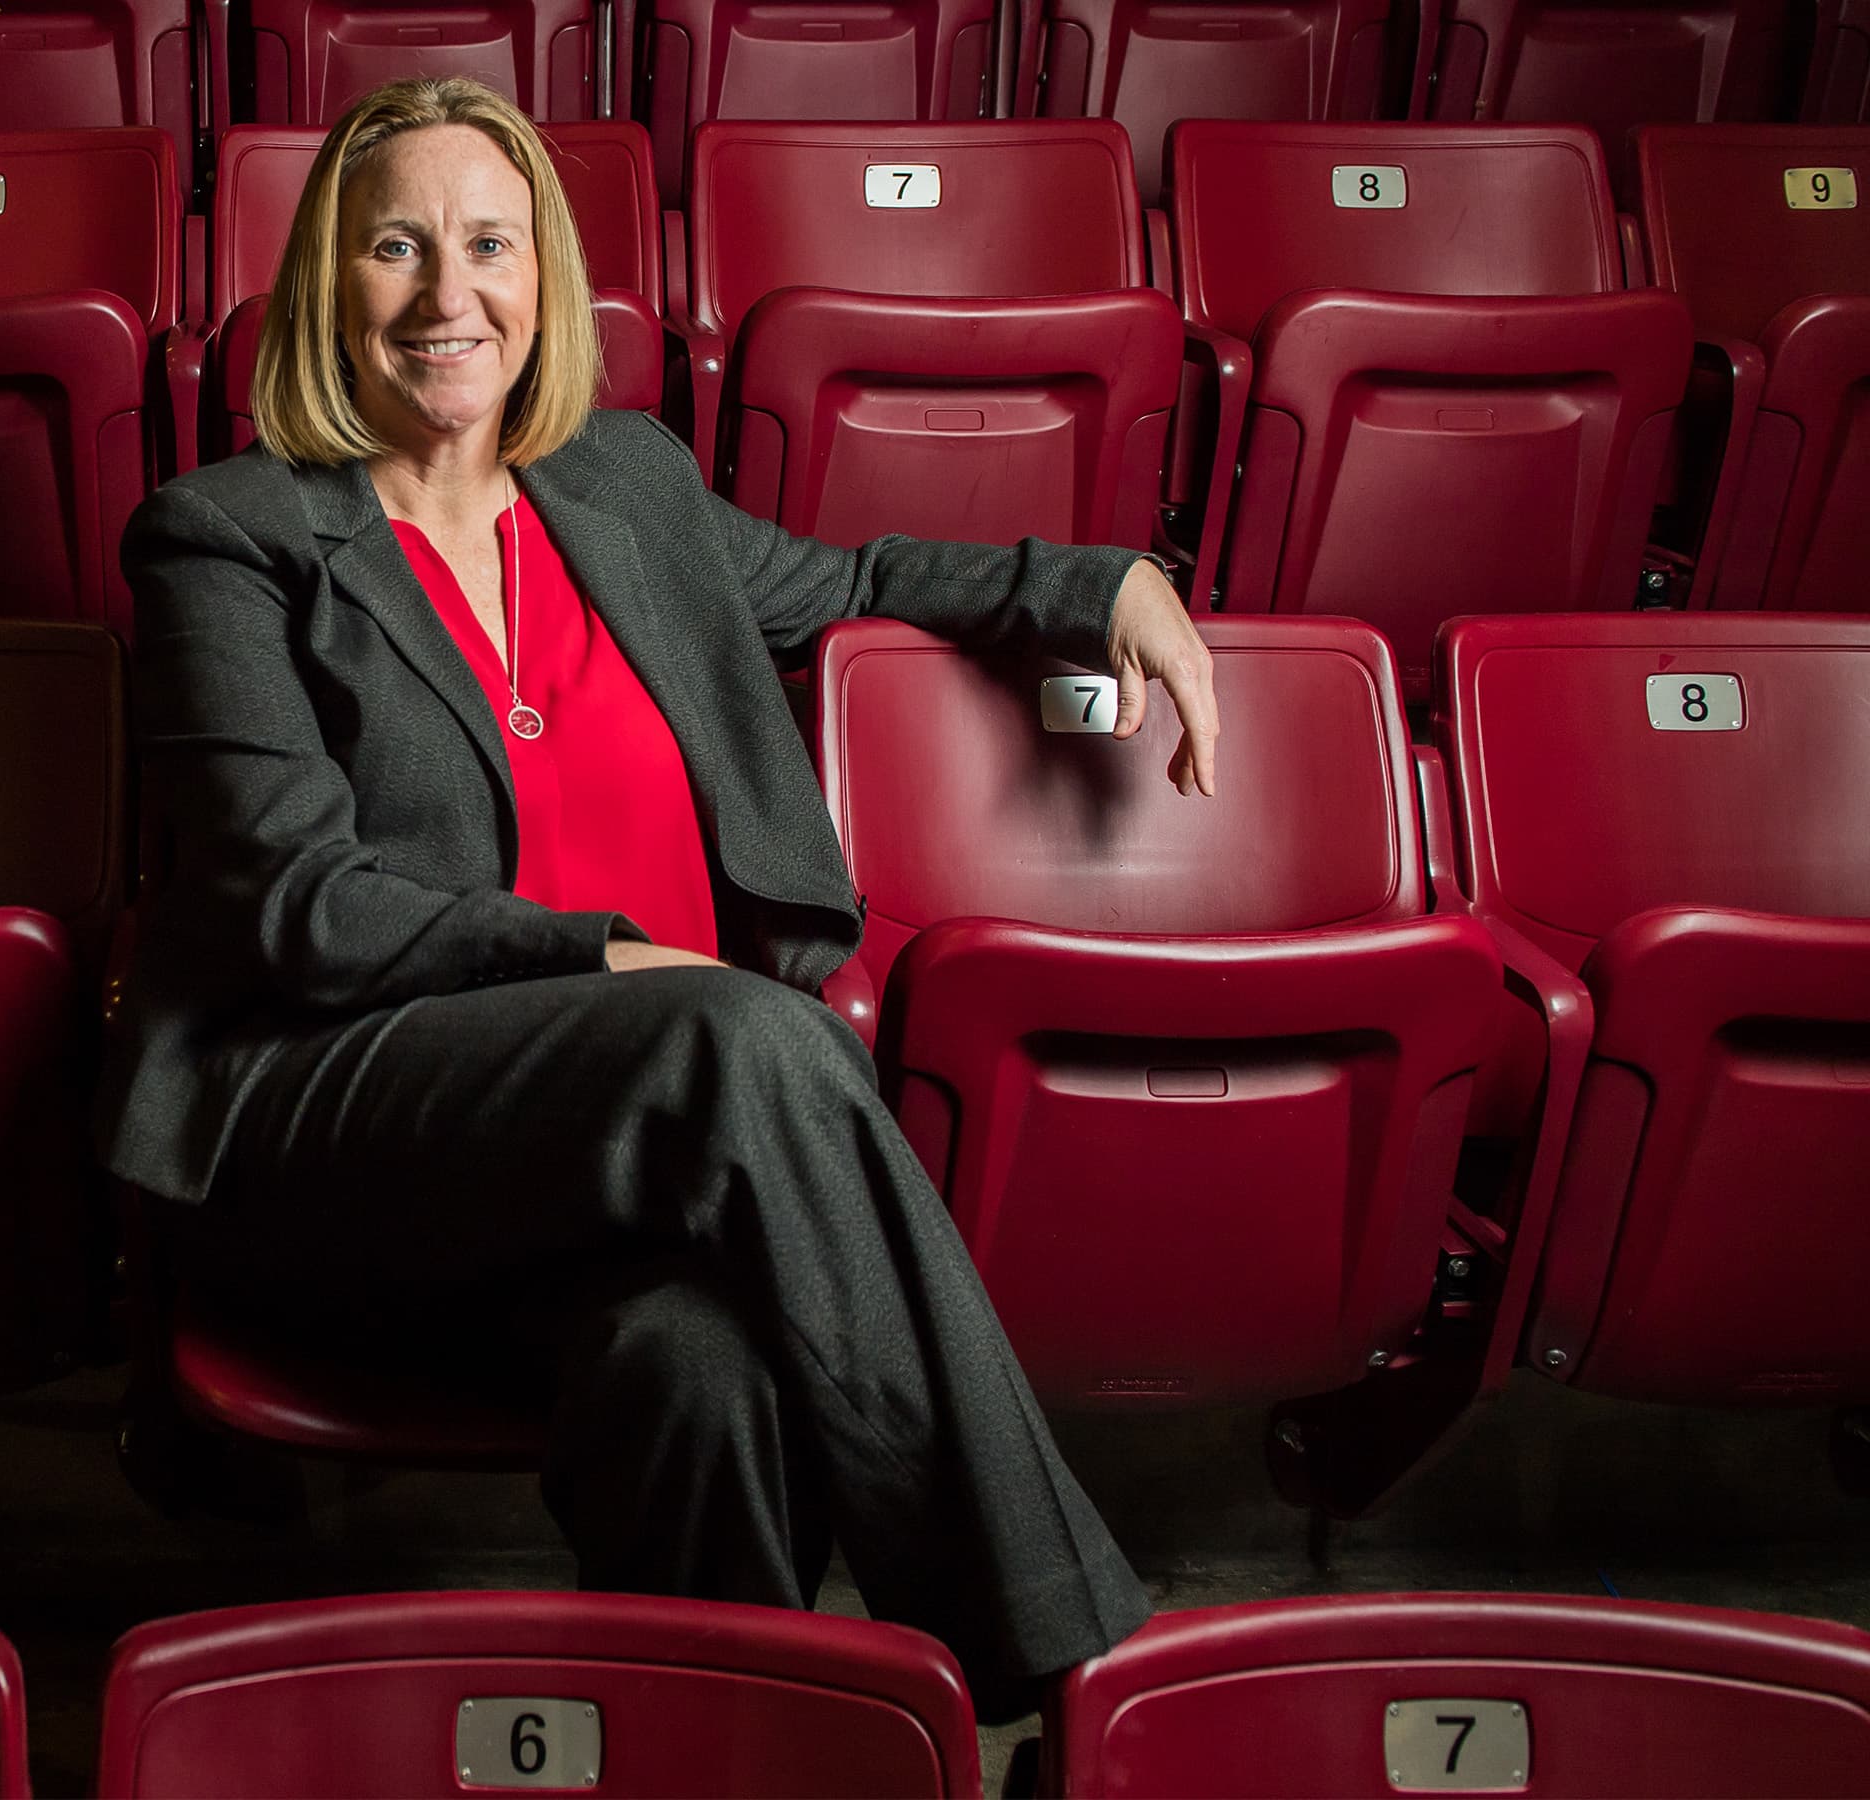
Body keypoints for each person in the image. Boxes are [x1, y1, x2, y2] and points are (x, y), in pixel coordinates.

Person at [98, 75, 1219, 1713]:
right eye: (394, 246)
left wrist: (1103, 577)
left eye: (488, 244)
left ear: (542, 274)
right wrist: (597, 961)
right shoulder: (229, 537)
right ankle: (1068, 1663)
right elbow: (289, 899)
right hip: (336, 1127)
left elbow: (863, 580)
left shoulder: (625, 487)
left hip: (633, 1162)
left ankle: (749, 1737)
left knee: (695, 1368)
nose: (447, 293)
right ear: (326, 283)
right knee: (745, 1036)